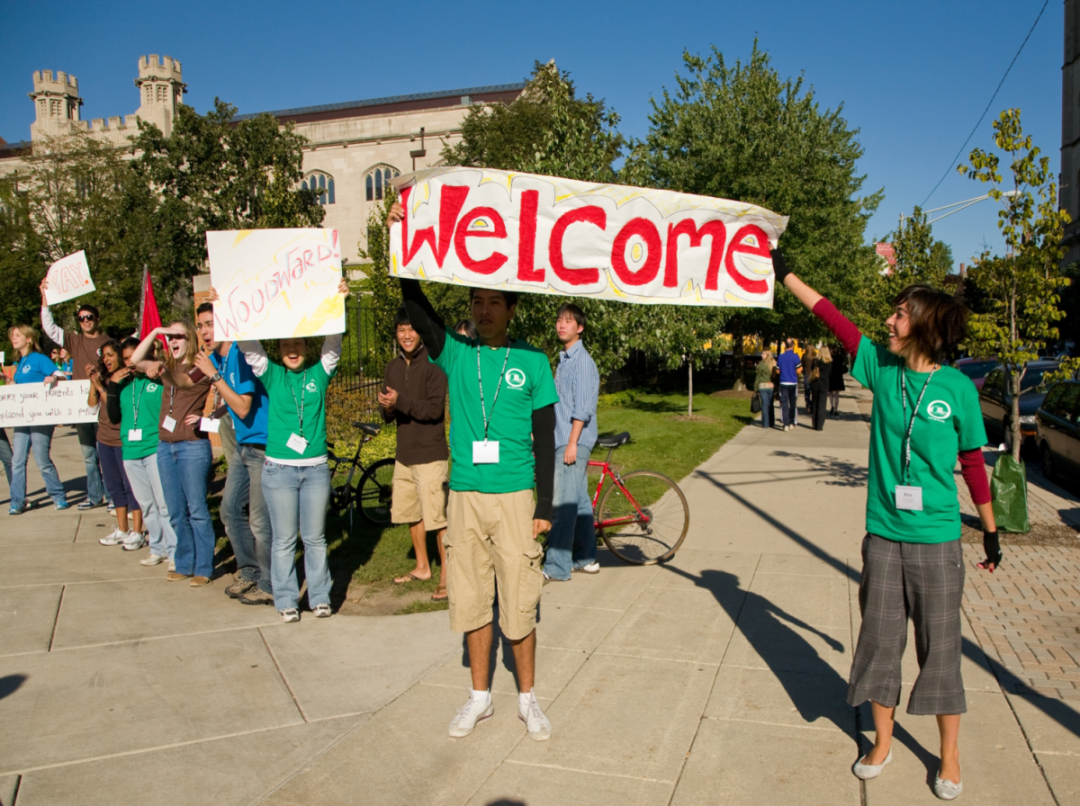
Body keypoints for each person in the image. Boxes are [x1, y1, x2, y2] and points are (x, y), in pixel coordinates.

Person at [773, 250, 999, 800]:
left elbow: (972, 463)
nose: (890, 322)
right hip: (883, 535)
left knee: (940, 648)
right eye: (893, 314)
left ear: (924, 326)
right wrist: (787, 274)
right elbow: (832, 317)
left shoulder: (957, 390)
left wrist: (991, 531)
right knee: (878, 643)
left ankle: (948, 755)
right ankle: (882, 740)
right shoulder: (881, 366)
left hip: (938, 539)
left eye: (901, 315)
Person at [215, 281, 349, 622]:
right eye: (286, 344)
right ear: (279, 348)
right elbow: (249, 346)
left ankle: (319, 597)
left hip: (316, 470)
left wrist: (339, 301)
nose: (292, 349)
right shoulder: (271, 375)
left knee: (315, 538)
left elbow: (334, 344)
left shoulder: (319, 375)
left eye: (298, 344)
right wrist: (226, 308)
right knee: (284, 540)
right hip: (279, 471)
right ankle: (287, 599)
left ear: (306, 346)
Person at [194, 303, 274, 606]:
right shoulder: (219, 357)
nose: (204, 332)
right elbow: (189, 383)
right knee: (228, 511)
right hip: (244, 446)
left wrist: (215, 377)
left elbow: (242, 405)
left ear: (225, 323)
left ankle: (269, 583)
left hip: (262, 447)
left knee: (260, 521)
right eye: (200, 325)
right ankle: (250, 571)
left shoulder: (240, 354)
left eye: (210, 324)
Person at [132, 322, 215, 586]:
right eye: (170, 337)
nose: (173, 340)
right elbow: (135, 359)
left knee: (197, 509)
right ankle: (184, 562)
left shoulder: (200, 365)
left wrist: (162, 370)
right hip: (165, 446)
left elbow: (183, 382)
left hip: (191, 446)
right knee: (176, 510)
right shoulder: (164, 362)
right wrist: (156, 333)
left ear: (190, 339)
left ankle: (203, 567)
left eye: (179, 336)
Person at [380, 306, 450, 600]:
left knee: (439, 519)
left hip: (431, 455)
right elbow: (389, 414)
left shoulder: (434, 366)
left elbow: (434, 410)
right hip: (404, 455)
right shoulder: (392, 368)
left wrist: (401, 402)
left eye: (411, 329)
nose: (406, 335)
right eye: (401, 330)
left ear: (420, 333)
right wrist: (387, 407)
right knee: (412, 514)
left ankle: (447, 574)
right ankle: (422, 566)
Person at [106, 337, 177, 567]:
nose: (130, 363)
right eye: (126, 359)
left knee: (163, 503)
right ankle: (157, 548)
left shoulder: (156, 381)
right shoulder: (123, 384)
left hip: (154, 447)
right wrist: (112, 386)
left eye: (134, 358)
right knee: (146, 504)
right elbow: (114, 417)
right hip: (130, 451)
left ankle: (174, 551)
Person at [40, 282, 111, 509]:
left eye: (89, 316)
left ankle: (112, 497)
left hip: (103, 404)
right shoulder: (74, 340)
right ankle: (94, 495)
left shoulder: (109, 343)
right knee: (89, 455)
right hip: (81, 406)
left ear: (97, 318)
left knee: (107, 453)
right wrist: (44, 297)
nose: (86, 320)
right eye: (81, 318)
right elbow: (49, 328)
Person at [545, 302, 600, 581]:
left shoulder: (581, 361)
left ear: (580, 328)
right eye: (559, 320)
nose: (561, 325)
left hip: (572, 441)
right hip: (566, 438)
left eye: (568, 321)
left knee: (563, 504)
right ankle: (586, 558)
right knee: (578, 502)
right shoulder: (564, 360)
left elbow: (583, 407)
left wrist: (571, 442)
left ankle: (556, 566)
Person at [87, 341, 146, 549]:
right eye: (104, 355)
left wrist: (104, 387)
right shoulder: (107, 377)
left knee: (131, 487)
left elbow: (116, 411)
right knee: (113, 486)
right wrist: (94, 383)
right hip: (103, 439)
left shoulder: (126, 379)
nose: (106, 359)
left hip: (122, 439)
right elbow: (92, 404)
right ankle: (122, 529)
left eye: (110, 355)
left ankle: (138, 531)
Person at [8, 325, 69, 514]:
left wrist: (53, 379)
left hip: (40, 416)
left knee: (42, 459)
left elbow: (61, 377)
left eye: (17, 335)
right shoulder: (19, 363)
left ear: (28, 339)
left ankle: (58, 496)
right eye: (12, 336)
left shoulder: (39, 359)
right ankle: (17, 501)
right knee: (17, 460)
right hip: (22, 417)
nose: (13, 338)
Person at [776, 339, 801, 431]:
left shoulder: (781, 357)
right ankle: (792, 422)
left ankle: (785, 424)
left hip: (783, 382)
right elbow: (799, 370)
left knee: (784, 403)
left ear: (785, 346)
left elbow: (777, 370)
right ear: (793, 346)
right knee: (793, 403)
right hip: (793, 382)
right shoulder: (796, 357)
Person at [810, 345, 832, 432]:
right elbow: (830, 374)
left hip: (816, 383)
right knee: (822, 405)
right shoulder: (829, 363)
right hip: (824, 384)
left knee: (815, 404)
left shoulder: (815, 361)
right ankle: (820, 425)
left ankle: (814, 424)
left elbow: (812, 369)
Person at [755, 351, 776, 429]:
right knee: (770, 404)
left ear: (766, 355)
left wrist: (755, 387)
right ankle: (771, 422)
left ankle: (765, 423)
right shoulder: (773, 363)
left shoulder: (762, 364)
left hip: (763, 386)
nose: (761, 355)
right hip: (770, 386)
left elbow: (758, 376)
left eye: (763, 354)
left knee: (764, 405)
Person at [829, 344, 848, 415]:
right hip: (838, 377)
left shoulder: (830, 358)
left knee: (830, 393)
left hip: (831, 376)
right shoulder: (840, 358)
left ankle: (832, 406)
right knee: (837, 394)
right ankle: (836, 410)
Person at [802, 345, 817, 413]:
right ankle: (813, 405)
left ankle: (808, 404)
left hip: (806, 375)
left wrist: (803, 372)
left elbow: (801, 365)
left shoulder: (804, 356)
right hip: (813, 376)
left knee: (807, 392)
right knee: (813, 392)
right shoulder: (814, 357)